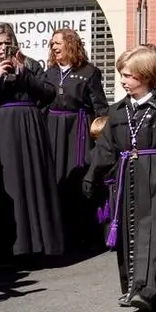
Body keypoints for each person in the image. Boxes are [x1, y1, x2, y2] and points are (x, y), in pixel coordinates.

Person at [83, 47, 156, 312]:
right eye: (122, 75)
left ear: (146, 75)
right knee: (130, 230)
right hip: (127, 172)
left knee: (154, 230)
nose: (123, 80)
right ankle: (131, 287)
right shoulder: (118, 111)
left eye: (129, 75)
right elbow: (106, 148)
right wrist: (91, 176)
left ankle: (149, 290)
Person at [0, 22, 64, 261]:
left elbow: (48, 93)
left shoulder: (29, 65)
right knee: (7, 185)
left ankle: (39, 245)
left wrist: (24, 74)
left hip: (29, 130)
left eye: (8, 42)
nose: (3, 48)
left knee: (32, 182)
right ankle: (4, 248)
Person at [44, 28, 109, 252]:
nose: (53, 47)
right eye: (52, 44)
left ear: (71, 44)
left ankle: (84, 234)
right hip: (53, 128)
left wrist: (102, 132)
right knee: (55, 178)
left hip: (78, 129)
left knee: (79, 176)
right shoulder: (49, 72)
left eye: (57, 43)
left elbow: (99, 105)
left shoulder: (89, 71)